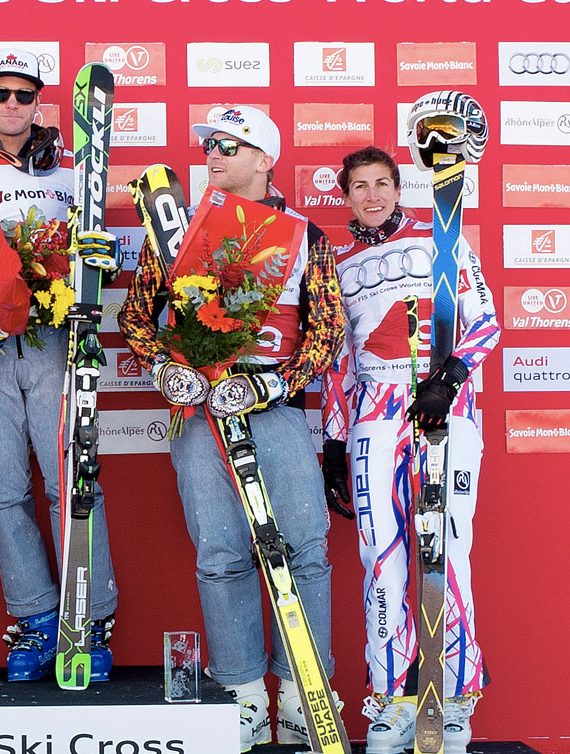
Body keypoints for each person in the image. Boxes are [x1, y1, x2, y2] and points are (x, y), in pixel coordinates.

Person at [118, 105, 346, 751]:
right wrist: (168, 371)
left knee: (304, 550)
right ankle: (241, 697)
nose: (212, 154)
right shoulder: (183, 232)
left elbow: (328, 331)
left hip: (271, 408)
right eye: (209, 145)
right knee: (220, 555)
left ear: (264, 158)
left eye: (228, 145)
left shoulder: (304, 235)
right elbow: (138, 316)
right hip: (199, 412)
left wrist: (274, 383)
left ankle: (306, 695)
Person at [0, 49, 120, 683]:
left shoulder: (75, 167)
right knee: (1, 488)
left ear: (39, 102)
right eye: (0, 95)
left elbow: (103, 255)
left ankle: (89, 621)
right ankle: (39, 621)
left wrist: (98, 255)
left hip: (51, 338)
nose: (12, 106)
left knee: (71, 482)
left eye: (24, 96)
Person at [322, 146, 498, 754]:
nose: (370, 196)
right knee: (382, 561)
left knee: (447, 555)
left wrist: (448, 377)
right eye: (358, 187)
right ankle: (392, 707)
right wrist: (333, 441)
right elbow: (338, 360)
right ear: (345, 196)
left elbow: (486, 321)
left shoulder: (440, 240)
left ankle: (454, 703)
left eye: (381, 184)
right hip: (375, 409)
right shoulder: (337, 262)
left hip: (443, 406)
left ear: (399, 189)